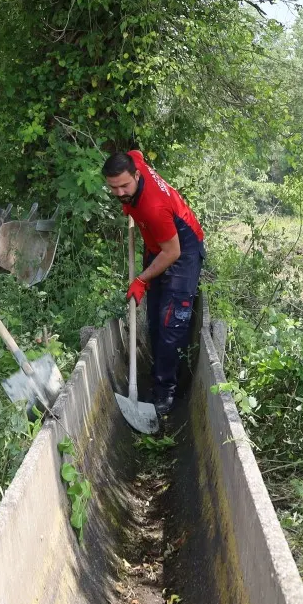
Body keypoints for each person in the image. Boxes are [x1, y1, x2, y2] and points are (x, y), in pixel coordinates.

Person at [103, 149, 205, 416]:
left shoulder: (153, 206)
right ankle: (157, 371)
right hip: (157, 241)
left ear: (137, 175)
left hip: (182, 247)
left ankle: (166, 392)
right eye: (114, 187)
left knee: (171, 323)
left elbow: (172, 253)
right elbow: (134, 152)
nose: (120, 192)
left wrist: (141, 278)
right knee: (155, 317)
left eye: (125, 185)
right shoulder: (133, 163)